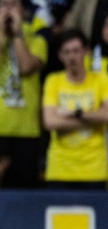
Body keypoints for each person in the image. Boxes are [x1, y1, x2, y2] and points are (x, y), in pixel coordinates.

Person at [0, 0, 48, 188]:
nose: (8, 10)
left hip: (25, 130)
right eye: (4, 5)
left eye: (14, 4)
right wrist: (0, 32)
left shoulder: (36, 37)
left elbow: (26, 67)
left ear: (23, 11)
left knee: (23, 195)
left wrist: (17, 33)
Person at [42, 28, 108, 189]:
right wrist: (92, 119)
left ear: (86, 51)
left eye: (76, 51)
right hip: (60, 169)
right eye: (67, 52)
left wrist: (75, 113)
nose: (72, 57)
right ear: (60, 56)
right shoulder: (53, 81)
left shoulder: (101, 80)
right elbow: (50, 122)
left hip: (94, 170)